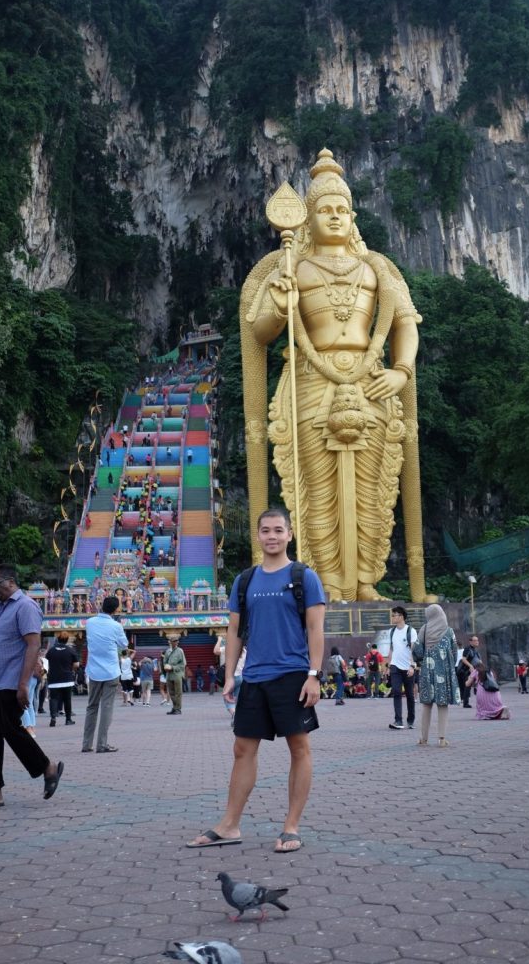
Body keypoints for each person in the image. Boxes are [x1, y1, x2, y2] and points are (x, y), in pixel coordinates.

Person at [240, 148, 432, 602]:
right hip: (311, 379)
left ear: (353, 216)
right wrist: (281, 303)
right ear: (307, 218)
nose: (334, 217)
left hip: (371, 381)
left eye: (342, 209)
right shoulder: (292, 266)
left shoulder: (377, 268)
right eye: (324, 209)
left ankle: (365, 580)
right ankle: (325, 585)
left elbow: (404, 323)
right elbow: (261, 330)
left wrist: (401, 372)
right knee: (316, 488)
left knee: (372, 489)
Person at [186, 507, 325, 854]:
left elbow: (315, 628)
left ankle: (291, 827)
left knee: (299, 748)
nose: (272, 536)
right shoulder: (245, 580)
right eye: (266, 530)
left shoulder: (304, 576)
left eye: (279, 530)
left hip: (292, 674)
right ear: (258, 535)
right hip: (255, 676)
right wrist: (230, 674)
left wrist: (314, 675)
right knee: (242, 749)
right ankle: (230, 825)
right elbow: (234, 630)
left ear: (290, 534)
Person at [0, 564, 63, 810]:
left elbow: (33, 645)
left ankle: (47, 767)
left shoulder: (26, 606)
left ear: (10, 582)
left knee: (12, 730)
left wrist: (23, 685)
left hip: (11, 682)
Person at [81, 596, 127, 753]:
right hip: (111, 670)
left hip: (94, 670)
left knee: (91, 706)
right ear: (115, 610)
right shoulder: (116, 626)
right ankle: (102, 744)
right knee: (106, 707)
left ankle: (86, 744)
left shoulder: (90, 622)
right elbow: (124, 644)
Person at [416, 603, 460, 748]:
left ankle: (423, 738)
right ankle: (442, 739)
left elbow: (418, 650)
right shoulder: (449, 631)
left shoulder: (424, 629)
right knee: (443, 705)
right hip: (444, 671)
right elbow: (454, 652)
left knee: (427, 705)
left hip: (428, 670)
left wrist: (423, 659)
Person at [386, 606, 417, 730]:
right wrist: (388, 665)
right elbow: (391, 649)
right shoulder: (391, 631)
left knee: (410, 694)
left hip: (408, 667)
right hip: (395, 667)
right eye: (392, 615)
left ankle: (411, 720)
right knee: (397, 692)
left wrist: (412, 666)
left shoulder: (411, 631)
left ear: (402, 616)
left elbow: (414, 650)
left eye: (395, 615)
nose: (393, 617)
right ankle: (398, 720)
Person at [46, 631, 79, 726]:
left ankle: (53, 717)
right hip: (67, 679)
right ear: (67, 640)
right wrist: (70, 668)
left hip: (54, 679)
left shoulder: (51, 650)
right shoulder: (70, 650)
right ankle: (68, 719)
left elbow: (47, 660)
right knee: (67, 699)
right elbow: (76, 664)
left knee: (53, 698)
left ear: (58, 639)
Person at [163, 634, 187, 716]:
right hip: (169, 675)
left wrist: (172, 667)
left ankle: (178, 709)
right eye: (174, 641)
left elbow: (183, 664)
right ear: (170, 642)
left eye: (176, 641)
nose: (175, 643)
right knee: (171, 693)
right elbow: (164, 661)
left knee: (178, 693)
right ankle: (174, 707)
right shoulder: (167, 651)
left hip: (177, 674)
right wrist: (165, 666)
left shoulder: (180, 651)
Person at [456, 634, 481, 708]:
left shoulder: (475, 650)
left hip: (474, 671)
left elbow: (478, 660)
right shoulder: (467, 649)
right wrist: (470, 666)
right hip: (467, 671)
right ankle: (465, 703)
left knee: (472, 686)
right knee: (467, 686)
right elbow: (464, 659)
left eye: (477, 640)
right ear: (470, 642)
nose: (477, 642)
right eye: (475, 640)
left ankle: (478, 701)